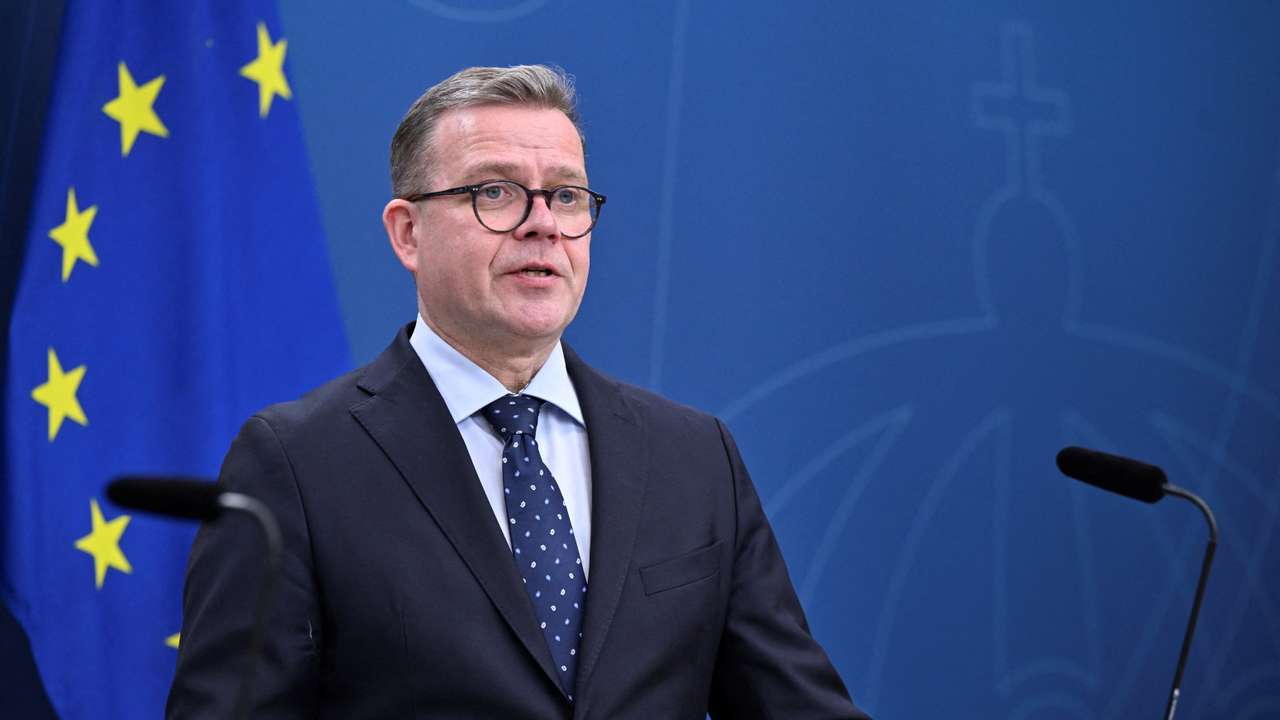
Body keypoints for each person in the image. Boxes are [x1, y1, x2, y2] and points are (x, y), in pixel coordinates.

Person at [168, 64, 869, 719]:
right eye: (495, 193)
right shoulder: (297, 464)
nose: (543, 223)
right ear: (408, 233)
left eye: (565, 195)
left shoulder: (694, 457)